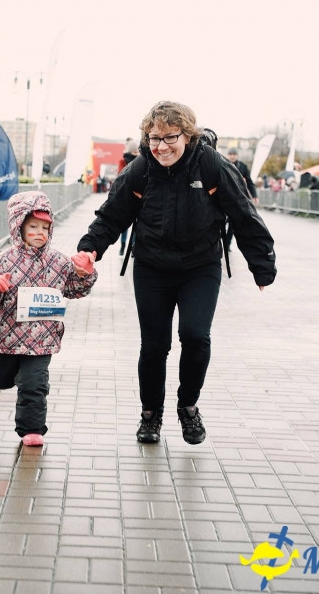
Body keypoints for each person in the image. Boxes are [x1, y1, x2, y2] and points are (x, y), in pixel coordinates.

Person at [75, 101, 277, 445]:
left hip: (201, 267)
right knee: (154, 345)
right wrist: (89, 248)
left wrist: (261, 264)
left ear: (187, 135)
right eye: (154, 138)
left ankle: (188, 407)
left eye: (170, 137)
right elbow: (112, 215)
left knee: (196, 336)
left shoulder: (211, 165)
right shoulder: (140, 169)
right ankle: (151, 415)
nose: (162, 146)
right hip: (152, 267)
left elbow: (242, 212)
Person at [0, 190, 97, 446]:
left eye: (45, 227)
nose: (40, 233)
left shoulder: (58, 262)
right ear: (18, 226)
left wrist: (85, 274)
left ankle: (32, 429)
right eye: (33, 226)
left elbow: (73, 290)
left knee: (34, 384)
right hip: (8, 338)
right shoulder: (2, 261)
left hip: (42, 339)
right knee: (2, 378)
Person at [224, 148, 258, 250]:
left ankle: (227, 244)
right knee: (221, 220)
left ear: (237, 156)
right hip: (224, 196)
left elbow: (250, 182)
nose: (232, 156)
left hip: (237, 197)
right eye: (230, 154)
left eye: (234, 154)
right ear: (228, 155)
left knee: (232, 222)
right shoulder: (222, 163)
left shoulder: (243, 167)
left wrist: (254, 195)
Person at [118, 137, 139, 256]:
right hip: (125, 199)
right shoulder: (123, 161)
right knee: (124, 225)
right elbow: (120, 177)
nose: (136, 154)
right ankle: (122, 246)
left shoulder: (141, 161)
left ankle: (133, 248)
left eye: (137, 152)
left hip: (138, 199)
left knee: (136, 226)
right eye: (134, 152)